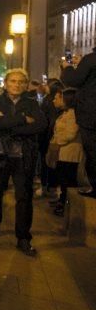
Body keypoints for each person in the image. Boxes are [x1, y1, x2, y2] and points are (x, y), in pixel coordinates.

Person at [0, 68, 46, 256]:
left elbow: (41, 125)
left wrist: (10, 127)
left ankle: (23, 237)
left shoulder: (32, 104)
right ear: (5, 83)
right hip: (0, 154)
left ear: (26, 85)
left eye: (21, 82)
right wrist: (21, 119)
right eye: (13, 81)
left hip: (23, 156)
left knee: (24, 197)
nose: (16, 85)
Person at [60, 48, 96, 197]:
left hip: (91, 115)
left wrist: (67, 68)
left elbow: (72, 80)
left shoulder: (91, 59)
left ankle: (95, 187)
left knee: (93, 152)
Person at [48, 88, 82, 216]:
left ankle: (65, 206)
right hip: (63, 152)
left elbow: (70, 134)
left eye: (58, 97)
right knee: (63, 180)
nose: (54, 100)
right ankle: (63, 203)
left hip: (70, 153)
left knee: (68, 181)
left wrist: (57, 142)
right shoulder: (66, 113)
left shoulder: (73, 114)